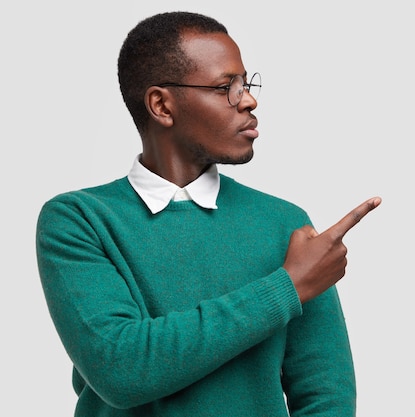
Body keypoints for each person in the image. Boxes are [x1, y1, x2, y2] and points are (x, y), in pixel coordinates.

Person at [35, 10, 381, 417]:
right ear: (162, 106)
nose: (249, 99)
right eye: (225, 87)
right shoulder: (79, 220)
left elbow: (327, 397)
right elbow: (121, 370)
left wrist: (294, 282)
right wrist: (288, 287)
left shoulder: (285, 224)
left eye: (246, 84)